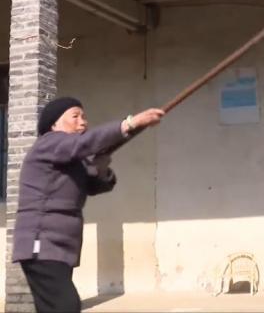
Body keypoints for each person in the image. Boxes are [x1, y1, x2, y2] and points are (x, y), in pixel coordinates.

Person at [12, 97, 164, 312]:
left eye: (84, 117)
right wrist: (130, 123)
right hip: (41, 243)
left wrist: (102, 166)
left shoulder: (72, 158)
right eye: (75, 116)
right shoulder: (49, 143)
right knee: (65, 306)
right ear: (54, 124)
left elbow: (96, 185)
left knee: (53, 307)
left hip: (61, 248)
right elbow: (85, 144)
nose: (82, 122)